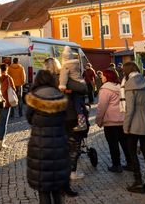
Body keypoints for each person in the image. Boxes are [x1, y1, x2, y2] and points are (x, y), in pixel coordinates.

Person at [25, 70, 70, 204]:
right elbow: (66, 119)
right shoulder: (60, 97)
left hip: (40, 147)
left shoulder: (33, 98)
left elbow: (29, 119)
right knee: (57, 189)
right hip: (59, 146)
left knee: (43, 190)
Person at [52, 55, 89, 195]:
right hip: (71, 116)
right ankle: (70, 173)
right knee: (74, 145)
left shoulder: (58, 80)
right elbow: (85, 88)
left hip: (60, 119)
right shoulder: (70, 80)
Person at [121, 61, 145, 194]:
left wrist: (126, 126)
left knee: (132, 153)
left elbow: (130, 109)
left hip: (134, 122)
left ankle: (138, 182)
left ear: (127, 71)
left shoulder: (130, 84)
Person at [95, 68, 134, 173]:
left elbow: (101, 107)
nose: (101, 77)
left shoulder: (105, 90)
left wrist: (98, 121)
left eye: (103, 75)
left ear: (107, 77)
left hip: (110, 122)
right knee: (125, 143)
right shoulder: (120, 87)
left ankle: (116, 165)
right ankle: (131, 163)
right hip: (122, 120)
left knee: (113, 144)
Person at [0, 63, 15, 150]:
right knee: (3, 122)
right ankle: (0, 141)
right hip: (6, 103)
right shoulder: (8, 78)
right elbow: (13, 89)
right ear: (6, 69)